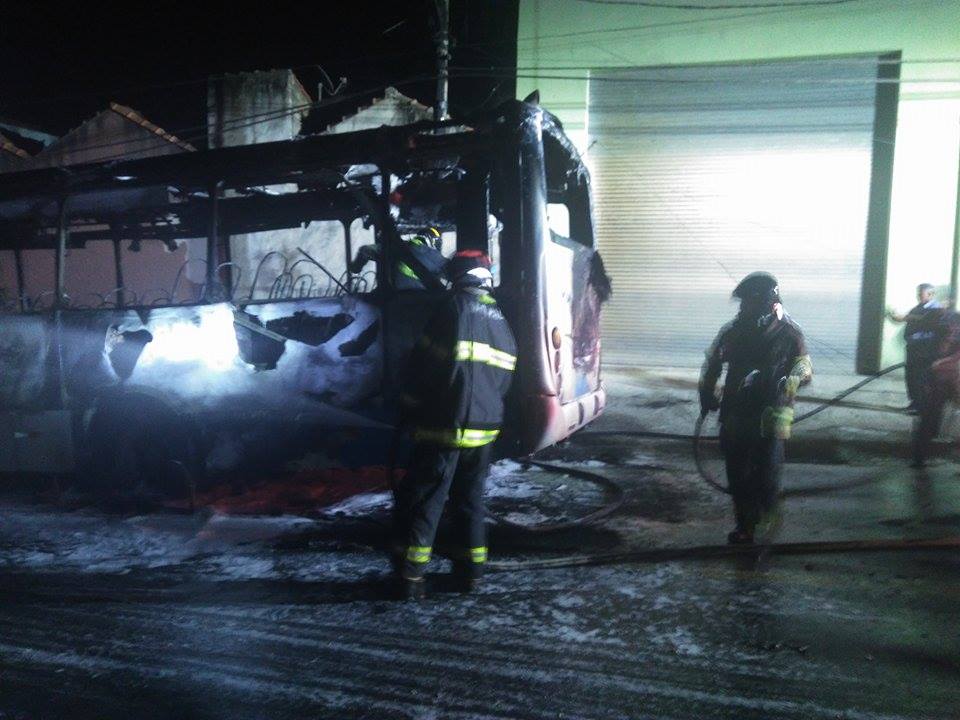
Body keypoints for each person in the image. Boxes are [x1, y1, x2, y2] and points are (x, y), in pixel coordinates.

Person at [393, 249, 517, 599]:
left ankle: (409, 579)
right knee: (470, 501)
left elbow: (422, 368)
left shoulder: (452, 310)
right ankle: (471, 575)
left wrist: (408, 407)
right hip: (485, 429)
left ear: (459, 276)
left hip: (444, 425)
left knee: (425, 500)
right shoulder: (500, 320)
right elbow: (505, 381)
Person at [699, 272, 812, 545]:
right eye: (742, 303)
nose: (742, 308)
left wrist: (788, 381)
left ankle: (768, 513)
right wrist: (707, 393)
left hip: (773, 414)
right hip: (737, 412)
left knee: (767, 473)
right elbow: (712, 363)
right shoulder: (732, 332)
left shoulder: (789, 333)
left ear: (766, 303)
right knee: (737, 473)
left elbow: (804, 368)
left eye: (748, 302)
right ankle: (745, 526)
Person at [887, 283, 941, 414]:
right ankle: (914, 403)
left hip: (925, 349)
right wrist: (894, 316)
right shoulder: (917, 308)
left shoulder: (936, 308)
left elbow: (927, 320)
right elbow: (905, 319)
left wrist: (907, 317)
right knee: (911, 377)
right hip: (913, 348)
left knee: (921, 378)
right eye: (917, 294)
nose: (918, 297)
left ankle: (921, 407)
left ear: (930, 294)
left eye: (920, 294)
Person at [349, 226, 446, 290]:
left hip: (393, 301)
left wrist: (356, 268)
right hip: (421, 303)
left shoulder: (396, 247)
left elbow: (365, 250)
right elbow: (453, 271)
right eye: (438, 242)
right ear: (431, 240)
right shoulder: (431, 255)